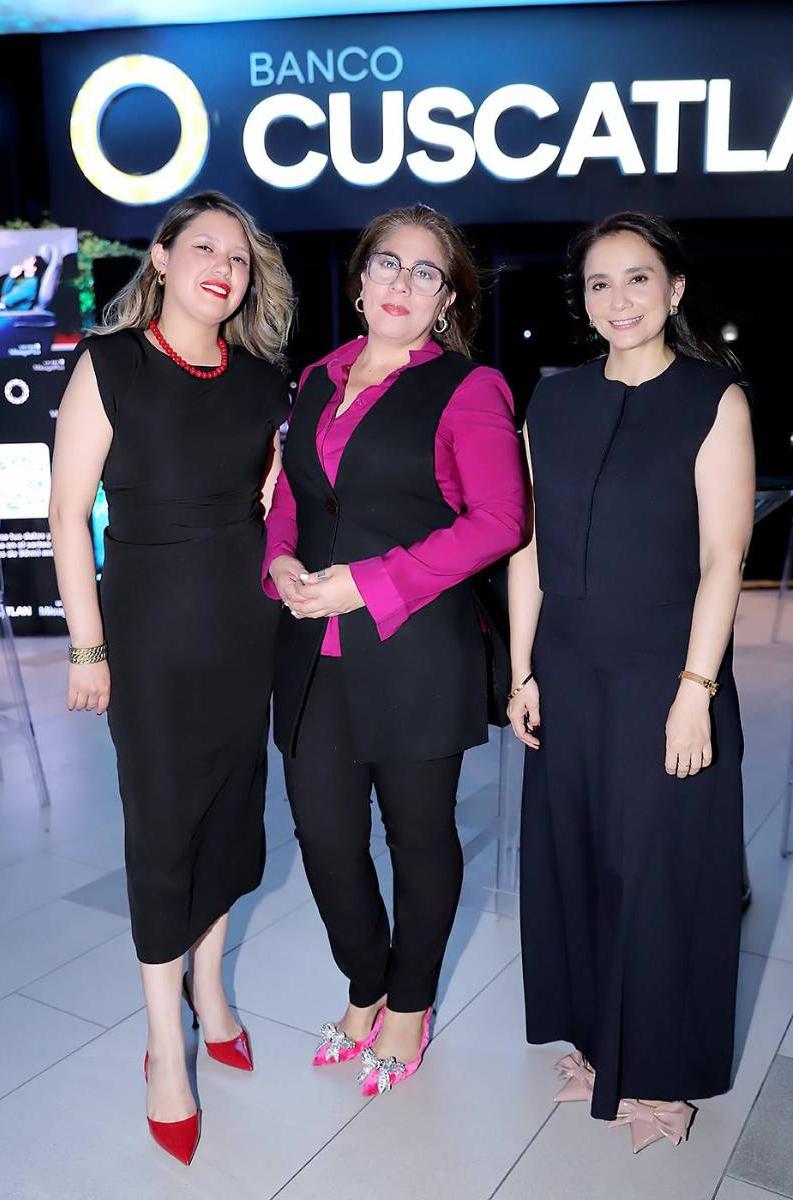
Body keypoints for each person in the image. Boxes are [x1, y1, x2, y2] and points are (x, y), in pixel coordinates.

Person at [49, 191, 294, 1165]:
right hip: (148, 638)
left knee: (231, 819)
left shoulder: (262, 381)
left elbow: (268, 504)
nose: (223, 269)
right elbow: (68, 513)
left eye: (238, 257)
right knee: (160, 831)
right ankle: (164, 1043)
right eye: (204, 248)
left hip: (243, 633)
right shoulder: (110, 364)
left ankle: (210, 991)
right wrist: (87, 646)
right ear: (160, 256)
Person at [264, 203, 528, 1095]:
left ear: (448, 299)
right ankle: (365, 982)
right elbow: (294, 502)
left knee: (418, 838)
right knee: (325, 840)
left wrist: (370, 582)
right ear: (361, 277)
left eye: (425, 272)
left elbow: (500, 520)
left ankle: (407, 1005)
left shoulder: (469, 388)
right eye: (387, 263)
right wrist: (280, 562)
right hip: (312, 656)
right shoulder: (317, 377)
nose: (401, 284)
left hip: (417, 652)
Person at [508, 211, 753, 1153]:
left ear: (674, 288)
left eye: (638, 278)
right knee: (578, 862)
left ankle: (663, 1071)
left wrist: (696, 689)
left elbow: (725, 557)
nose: (619, 299)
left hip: (664, 671)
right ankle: (601, 1047)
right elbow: (529, 546)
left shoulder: (714, 399)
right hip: (568, 670)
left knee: (660, 871)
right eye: (600, 283)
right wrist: (522, 670)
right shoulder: (553, 400)